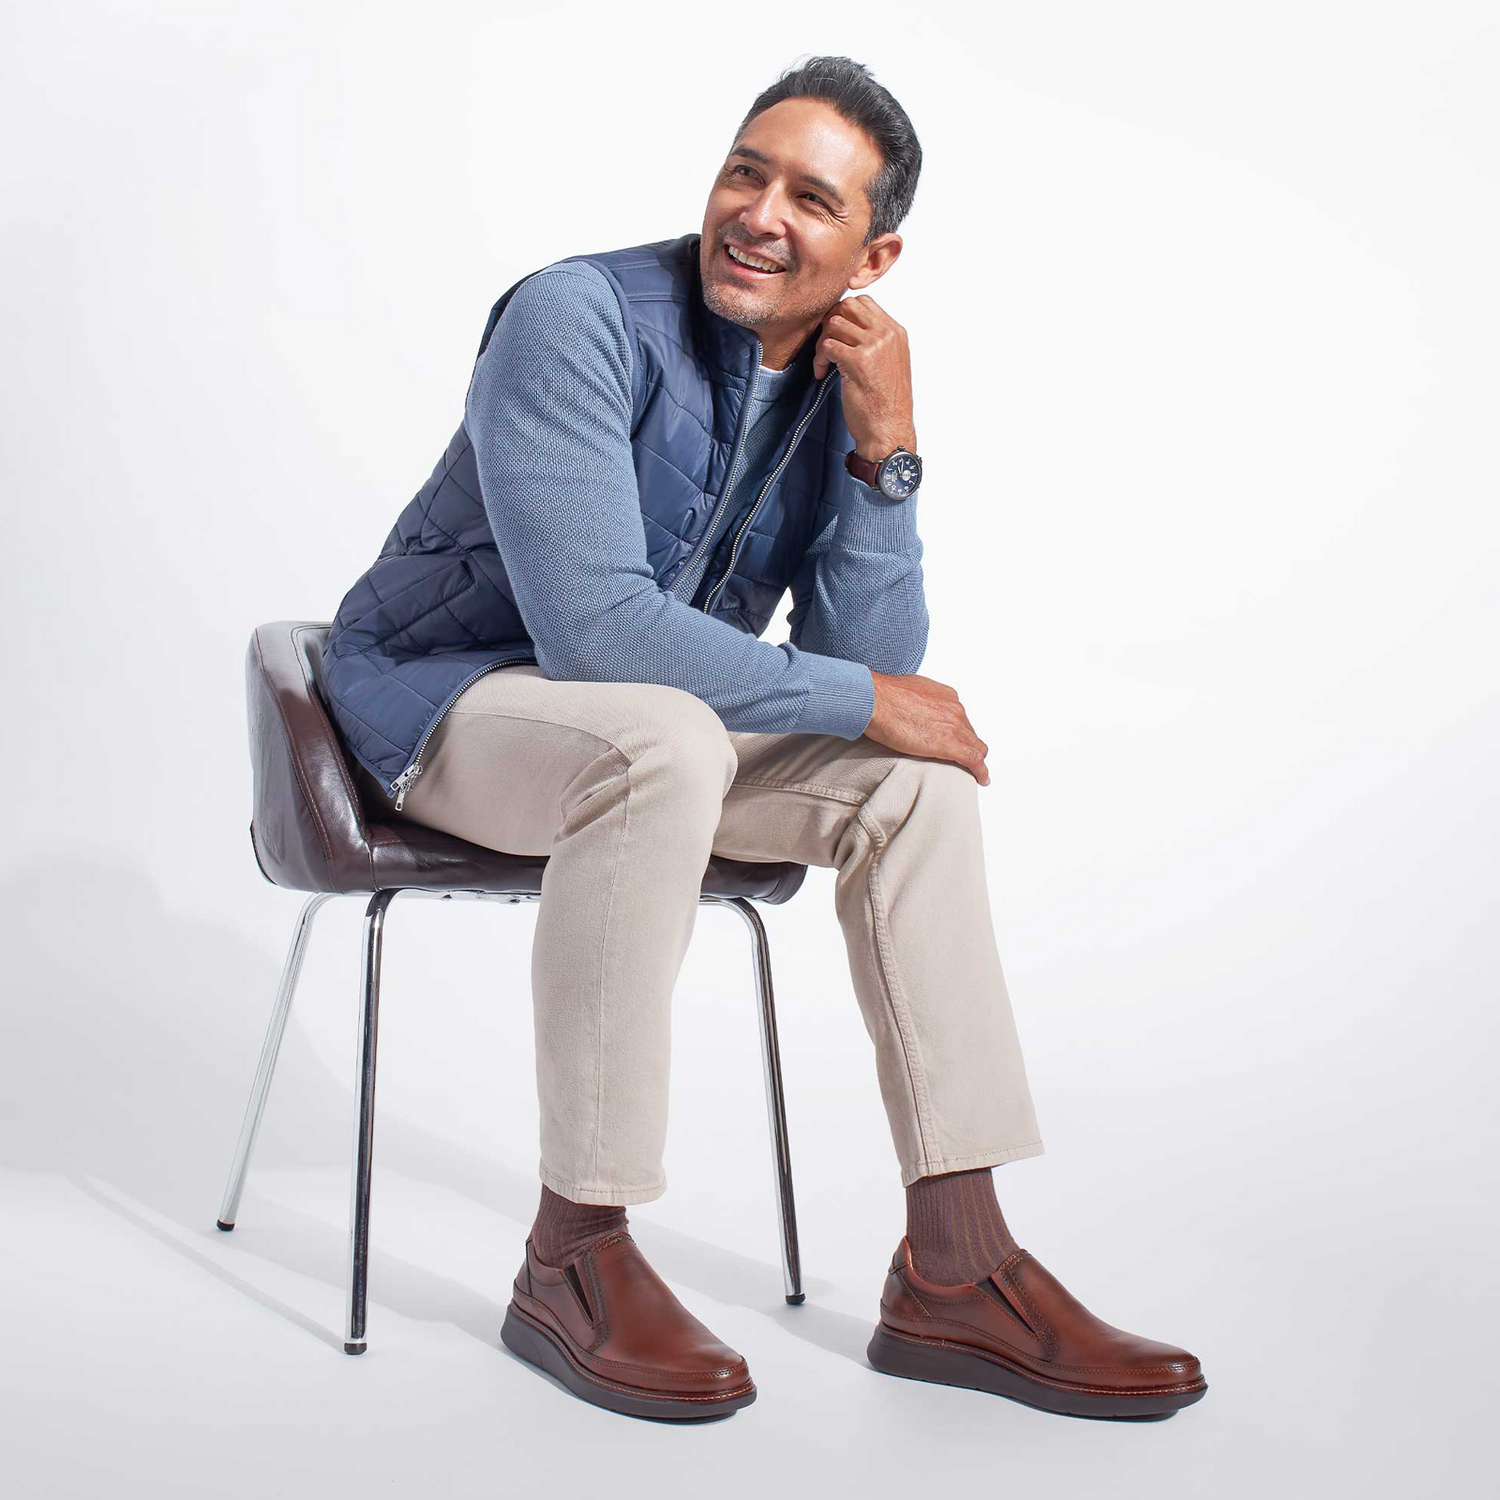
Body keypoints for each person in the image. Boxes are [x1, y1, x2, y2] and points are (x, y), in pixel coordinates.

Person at [321, 54, 1206, 1422]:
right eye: (747, 172)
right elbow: (596, 636)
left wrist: (885, 450)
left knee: (914, 790)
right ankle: (572, 1252)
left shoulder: (833, 382)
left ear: (875, 255)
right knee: (666, 742)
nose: (760, 214)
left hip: (652, 732)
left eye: (811, 198)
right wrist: (863, 700)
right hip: (447, 704)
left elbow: (870, 661)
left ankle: (958, 1267)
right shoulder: (575, 318)